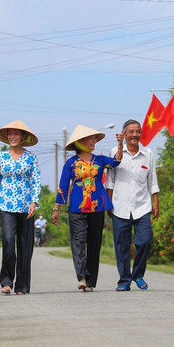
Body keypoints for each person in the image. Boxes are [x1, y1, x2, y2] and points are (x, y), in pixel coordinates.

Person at [51, 125, 124, 292]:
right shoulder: (70, 163)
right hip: (77, 208)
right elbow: (63, 186)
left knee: (94, 243)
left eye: (95, 139)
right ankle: (82, 277)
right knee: (78, 241)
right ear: (80, 142)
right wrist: (56, 208)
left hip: (97, 207)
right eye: (91, 139)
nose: (94, 141)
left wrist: (120, 145)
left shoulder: (100, 159)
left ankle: (91, 281)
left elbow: (116, 162)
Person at [0, 120, 42, 295]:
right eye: (10, 134)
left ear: (23, 137)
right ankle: (6, 281)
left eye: (16, 134)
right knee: (9, 243)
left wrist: (34, 202)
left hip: (27, 207)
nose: (12, 137)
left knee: (25, 247)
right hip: (5, 205)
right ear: (6, 137)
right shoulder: (0, 157)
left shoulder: (31, 157)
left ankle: (22, 285)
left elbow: (36, 181)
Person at [106, 119, 159, 291]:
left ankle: (137, 274)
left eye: (137, 131)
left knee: (144, 241)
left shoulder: (148, 153)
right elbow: (110, 180)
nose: (135, 135)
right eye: (131, 132)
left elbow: (152, 180)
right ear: (124, 134)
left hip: (142, 206)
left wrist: (156, 201)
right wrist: (109, 203)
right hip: (119, 206)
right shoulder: (115, 151)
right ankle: (124, 281)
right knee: (122, 246)